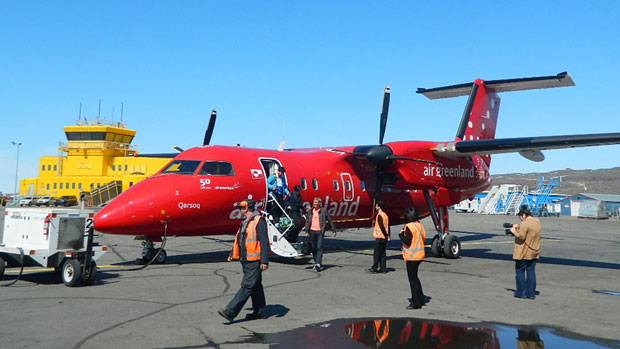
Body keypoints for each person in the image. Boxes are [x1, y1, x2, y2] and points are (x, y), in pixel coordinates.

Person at [218, 199, 270, 322]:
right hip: (246, 259)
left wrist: (264, 260)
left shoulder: (258, 221)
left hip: (255, 260)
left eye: (242, 208)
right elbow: (239, 239)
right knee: (255, 286)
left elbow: (264, 242)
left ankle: (230, 311)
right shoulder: (245, 222)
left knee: (247, 286)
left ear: (246, 208)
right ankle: (260, 312)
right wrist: (232, 253)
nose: (240, 210)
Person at [509, 205, 541, 300]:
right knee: (531, 272)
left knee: (520, 271)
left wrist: (513, 231)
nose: (520, 219)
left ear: (523, 215)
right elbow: (529, 230)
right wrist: (518, 226)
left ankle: (521, 292)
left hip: (523, 252)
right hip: (534, 251)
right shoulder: (537, 221)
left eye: (520, 217)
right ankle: (531, 294)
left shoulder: (524, 224)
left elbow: (522, 236)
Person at [398, 207, 426, 309]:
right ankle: (420, 298)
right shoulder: (420, 225)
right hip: (420, 254)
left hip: (412, 256)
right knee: (416, 278)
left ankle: (415, 302)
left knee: (412, 280)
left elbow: (407, 241)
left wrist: (401, 235)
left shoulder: (409, 226)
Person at [303, 197, 336, 272]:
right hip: (312, 231)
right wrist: (306, 231)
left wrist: (333, 230)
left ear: (319, 203)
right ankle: (316, 262)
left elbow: (330, 220)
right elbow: (307, 221)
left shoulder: (324, 211)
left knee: (319, 247)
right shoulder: (311, 211)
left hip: (320, 232)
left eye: (315, 202)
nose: (314, 204)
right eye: (314, 202)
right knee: (314, 248)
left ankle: (318, 263)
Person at [368, 201, 389, 273]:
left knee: (376, 253)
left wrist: (385, 235)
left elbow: (381, 226)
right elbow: (387, 226)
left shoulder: (379, 215)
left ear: (379, 207)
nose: (375, 207)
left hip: (379, 237)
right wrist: (387, 236)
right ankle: (383, 268)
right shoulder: (385, 215)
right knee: (383, 253)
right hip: (384, 238)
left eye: (376, 206)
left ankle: (374, 268)